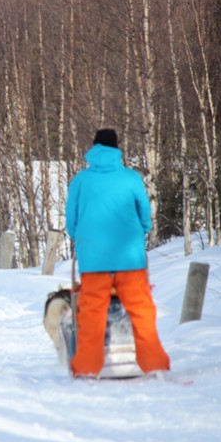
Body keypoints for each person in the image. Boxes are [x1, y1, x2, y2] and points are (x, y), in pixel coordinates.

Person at [65, 128, 170, 377]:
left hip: (93, 261)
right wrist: (143, 229)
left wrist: (79, 235)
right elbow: (145, 214)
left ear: (94, 148)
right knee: (142, 312)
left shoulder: (80, 180)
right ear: (117, 149)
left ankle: (87, 368)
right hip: (129, 259)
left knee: (91, 315)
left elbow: (71, 221)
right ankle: (154, 365)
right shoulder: (131, 178)